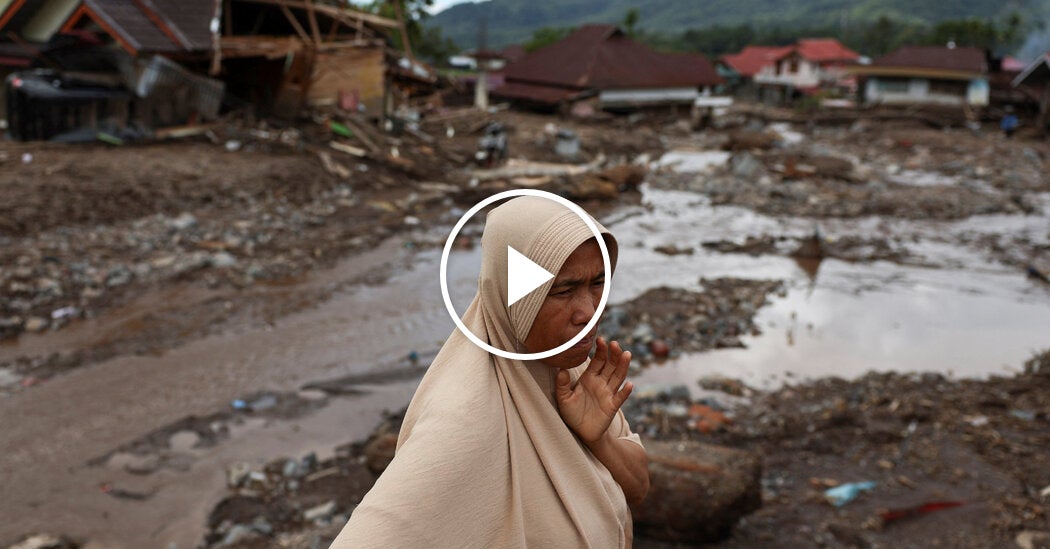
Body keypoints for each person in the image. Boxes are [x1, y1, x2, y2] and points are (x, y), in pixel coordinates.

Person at [331, 196, 649, 548]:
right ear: (515, 295)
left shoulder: (575, 373)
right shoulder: (463, 418)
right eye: (564, 290)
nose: (589, 311)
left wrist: (598, 439)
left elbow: (638, 487)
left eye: (598, 284)